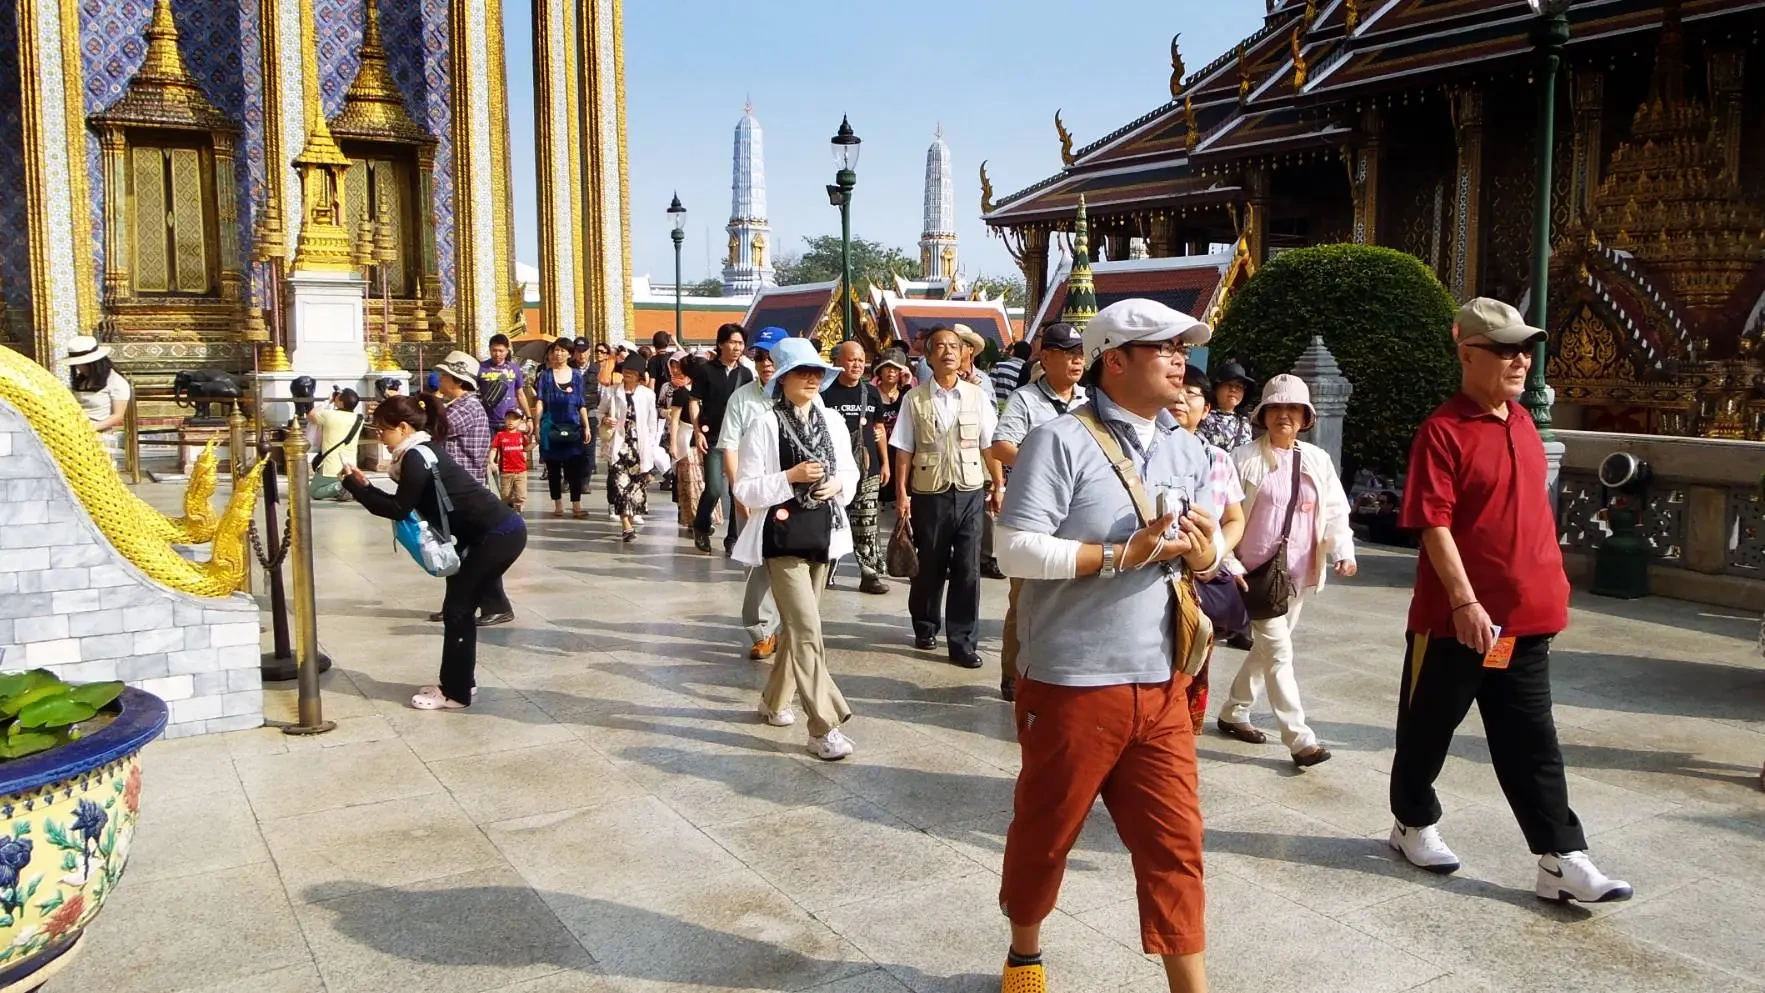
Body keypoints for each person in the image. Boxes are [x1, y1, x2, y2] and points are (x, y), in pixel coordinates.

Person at [993, 298, 1221, 993]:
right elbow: (1013, 550)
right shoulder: (1058, 440)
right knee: (1046, 831)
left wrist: (1207, 556)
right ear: (1113, 359)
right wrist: (1124, 552)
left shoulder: (1187, 446)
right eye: (1161, 348)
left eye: (1183, 348)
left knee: (1175, 845)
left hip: (1161, 678)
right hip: (1071, 678)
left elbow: (1202, 554)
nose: (1179, 360)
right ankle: (1025, 950)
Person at [1387, 297, 1632, 903]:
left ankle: (1560, 856)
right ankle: (1412, 822)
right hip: (1454, 624)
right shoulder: (1443, 431)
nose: (1520, 360)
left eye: (1525, 349)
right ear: (1466, 352)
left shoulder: (1523, 422)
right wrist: (1466, 603)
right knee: (1427, 730)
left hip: (1522, 626)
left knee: (1532, 741)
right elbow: (1432, 524)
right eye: (1504, 349)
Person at [341, 394, 526, 710]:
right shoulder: (419, 453)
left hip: (497, 534)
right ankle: (460, 682)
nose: (380, 438)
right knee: (458, 606)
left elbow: (399, 509)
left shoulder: (416, 457)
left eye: (383, 430)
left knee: (458, 608)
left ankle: (455, 693)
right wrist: (365, 487)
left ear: (402, 427)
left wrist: (356, 487)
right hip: (488, 534)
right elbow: (402, 503)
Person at [1215, 374, 1355, 767]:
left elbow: (1334, 511)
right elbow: (1221, 517)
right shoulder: (1242, 460)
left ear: (1305, 417)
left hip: (1297, 575)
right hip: (1253, 574)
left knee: (1267, 649)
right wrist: (1228, 560)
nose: (1284, 416)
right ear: (1264, 414)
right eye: (1276, 408)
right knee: (1279, 652)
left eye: (1293, 409)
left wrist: (1342, 549)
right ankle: (1300, 739)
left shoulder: (1317, 460)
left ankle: (1234, 711)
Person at [731, 337, 860, 761]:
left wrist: (836, 484)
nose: (811, 378)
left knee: (797, 631)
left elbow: (852, 473)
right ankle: (823, 725)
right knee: (807, 629)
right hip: (782, 539)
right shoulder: (765, 424)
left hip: (824, 533)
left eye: (817, 371)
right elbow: (746, 487)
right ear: (782, 378)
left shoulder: (833, 422)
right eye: (802, 371)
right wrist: (791, 476)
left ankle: (772, 701)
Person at [892, 325, 1004, 669]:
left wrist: (998, 483)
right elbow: (904, 449)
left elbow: (990, 443)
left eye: (954, 347)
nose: (948, 352)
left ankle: (962, 641)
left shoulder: (977, 396)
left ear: (965, 353)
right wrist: (901, 493)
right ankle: (925, 625)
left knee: (968, 568)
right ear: (928, 356)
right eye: (940, 347)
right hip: (929, 491)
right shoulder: (914, 399)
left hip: (970, 489)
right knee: (931, 565)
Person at [987, 322, 1087, 702]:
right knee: (1025, 594)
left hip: (1076, 510)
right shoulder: (1026, 400)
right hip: (1033, 508)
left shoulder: (1087, 400)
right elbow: (1001, 446)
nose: (1077, 360)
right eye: (1068, 352)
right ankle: (1014, 674)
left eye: (1080, 353)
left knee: (1070, 592)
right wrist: (1047, 464)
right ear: (1046, 358)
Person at [1170, 368, 1248, 734]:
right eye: (1178, 389)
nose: (1183, 399)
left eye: (1193, 393)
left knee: (1196, 653)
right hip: (1153, 571)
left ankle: (1181, 733)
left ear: (1206, 409)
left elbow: (1235, 518)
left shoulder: (1218, 459)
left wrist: (1216, 554)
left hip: (1201, 575)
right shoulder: (1139, 450)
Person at [717, 326, 791, 659]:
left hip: (792, 492)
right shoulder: (742, 398)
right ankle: (762, 631)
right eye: (760, 356)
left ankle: (793, 626)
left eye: (773, 357)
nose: (766, 363)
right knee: (755, 565)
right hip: (753, 492)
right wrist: (738, 492)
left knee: (795, 561)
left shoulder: (803, 394)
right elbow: (729, 447)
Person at [821, 341, 891, 595]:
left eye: (861, 360)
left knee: (867, 522)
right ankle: (826, 568)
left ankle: (869, 573)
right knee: (832, 519)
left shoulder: (871, 393)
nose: (857, 364)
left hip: (868, 468)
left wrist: (885, 463)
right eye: (852, 359)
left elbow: (879, 429)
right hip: (834, 471)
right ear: (838, 361)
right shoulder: (825, 393)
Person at [690, 324, 757, 553]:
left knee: (737, 491)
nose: (737, 347)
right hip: (714, 439)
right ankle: (701, 525)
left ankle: (733, 539)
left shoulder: (746, 374)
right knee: (714, 489)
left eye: (740, 343)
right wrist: (698, 431)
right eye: (733, 342)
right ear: (720, 344)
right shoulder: (706, 370)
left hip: (738, 441)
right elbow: (694, 401)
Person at [599, 353, 660, 542]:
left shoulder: (648, 395)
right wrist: (605, 419)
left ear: (640, 375)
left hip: (639, 446)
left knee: (636, 487)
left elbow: (652, 424)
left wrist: (651, 447)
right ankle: (626, 525)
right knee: (620, 485)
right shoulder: (611, 392)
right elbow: (599, 410)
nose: (627, 376)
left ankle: (631, 520)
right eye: (625, 372)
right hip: (619, 446)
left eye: (632, 373)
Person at [535, 338, 593, 518]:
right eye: (555, 350)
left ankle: (576, 505)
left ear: (570, 353)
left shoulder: (576, 375)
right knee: (553, 468)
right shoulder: (545, 376)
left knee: (574, 467)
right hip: (551, 425)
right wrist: (537, 424)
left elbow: (581, 403)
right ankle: (557, 504)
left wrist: (587, 426)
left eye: (562, 350)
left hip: (573, 425)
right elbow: (540, 401)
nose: (558, 354)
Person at [66, 336, 131, 462]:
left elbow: (118, 415)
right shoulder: (82, 381)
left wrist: (91, 428)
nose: (79, 368)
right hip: (75, 433)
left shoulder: (116, 382)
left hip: (100, 436)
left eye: (82, 364)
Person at [431, 351, 491, 481]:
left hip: (463, 483)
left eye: (444, 375)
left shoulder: (467, 407)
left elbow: (436, 428)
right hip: (458, 481)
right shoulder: (459, 405)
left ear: (458, 381)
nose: (440, 378)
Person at [307, 388, 365, 502]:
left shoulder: (329, 415)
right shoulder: (359, 418)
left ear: (341, 402)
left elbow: (311, 415)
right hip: (350, 465)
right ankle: (346, 488)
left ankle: (342, 487)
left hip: (330, 464)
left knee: (314, 492)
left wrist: (327, 402)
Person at [873, 348, 911, 508]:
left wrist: (908, 383)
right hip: (878, 453)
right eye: (887, 367)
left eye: (896, 368)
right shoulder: (871, 394)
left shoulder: (907, 395)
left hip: (901, 455)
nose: (891, 372)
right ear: (879, 371)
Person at [1197, 359, 1256, 452]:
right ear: (1216, 388)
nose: (1233, 389)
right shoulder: (1202, 416)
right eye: (1229, 384)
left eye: (1239, 386)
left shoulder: (1245, 422)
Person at [478, 332, 530, 425]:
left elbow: (520, 394)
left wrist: (529, 417)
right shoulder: (481, 368)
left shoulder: (514, 368)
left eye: (501, 351)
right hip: (487, 421)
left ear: (507, 351)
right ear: (489, 349)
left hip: (510, 421)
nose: (497, 354)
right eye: (494, 350)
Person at [489, 410, 530, 514]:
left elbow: (526, 448)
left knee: (521, 494)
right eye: (508, 418)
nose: (511, 421)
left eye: (515, 419)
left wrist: (536, 441)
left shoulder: (521, 436)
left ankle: (519, 508)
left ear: (520, 421)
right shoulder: (500, 435)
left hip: (521, 471)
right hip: (506, 471)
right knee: (505, 495)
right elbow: (494, 449)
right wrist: (491, 462)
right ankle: (508, 509)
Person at [993, 339, 1033, 405]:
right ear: (1028, 357)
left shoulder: (999, 366)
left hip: (994, 408)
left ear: (1013, 352)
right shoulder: (1028, 374)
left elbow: (989, 389)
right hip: (1012, 410)